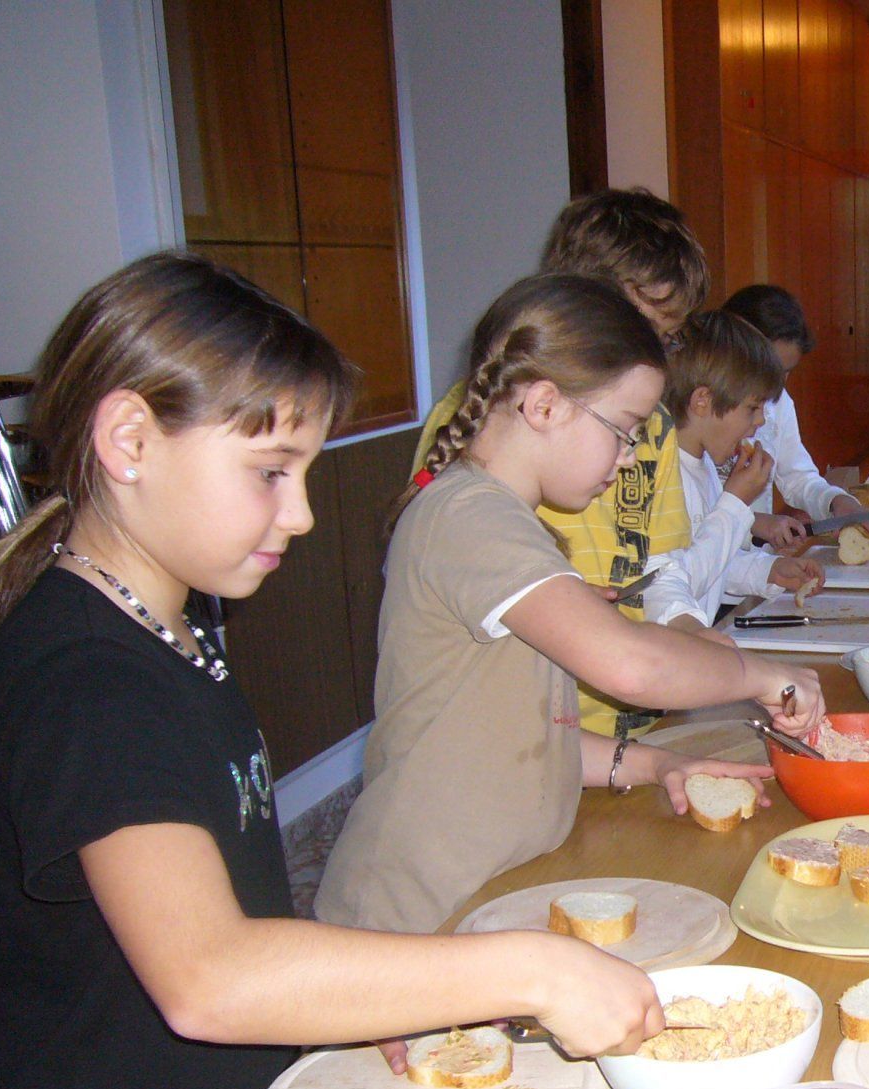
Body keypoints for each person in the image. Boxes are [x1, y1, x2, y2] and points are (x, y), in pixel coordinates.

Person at [0, 254, 678, 1089]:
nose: (298, 513)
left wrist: (368, 1003)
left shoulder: (168, 629)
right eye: (270, 471)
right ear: (129, 441)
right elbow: (208, 977)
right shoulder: (86, 681)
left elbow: (227, 912)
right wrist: (531, 969)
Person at [315, 274, 821, 942]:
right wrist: (764, 677)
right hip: (414, 910)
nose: (629, 456)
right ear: (545, 406)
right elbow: (631, 666)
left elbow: (519, 733)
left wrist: (651, 764)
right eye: (623, 430)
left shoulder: (514, 522)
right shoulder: (469, 516)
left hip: (492, 887)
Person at [412, 188, 713, 735]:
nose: (647, 350)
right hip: (529, 723)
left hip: (635, 715)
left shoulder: (656, 428)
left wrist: (686, 627)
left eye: (663, 338)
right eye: (636, 324)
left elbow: (660, 565)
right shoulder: (479, 419)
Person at [643, 310, 823, 634]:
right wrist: (735, 504)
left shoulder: (705, 465)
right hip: (677, 646)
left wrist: (769, 571)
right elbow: (680, 580)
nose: (761, 422)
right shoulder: (662, 475)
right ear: (702, 401)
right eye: (752, 408)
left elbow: (716, 561)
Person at [719, 283, 869, 549]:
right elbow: (695, 514)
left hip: (754, 570)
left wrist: (835, 501)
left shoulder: (779, 402)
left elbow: (797, 476)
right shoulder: (699, 412)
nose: (778, 383)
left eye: (787, 371)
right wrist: (753, 521)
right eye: (771, 368)